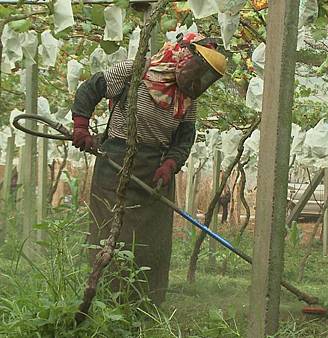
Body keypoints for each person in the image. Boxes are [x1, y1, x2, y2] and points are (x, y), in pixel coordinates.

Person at [70, 32, 226, 304]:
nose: (199, 79)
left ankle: (145, 303)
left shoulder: (189, 98)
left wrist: (170, 164)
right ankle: (102, 298)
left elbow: (185, 137)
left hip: (156, 172)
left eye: (206, 76)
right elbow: (90, 89)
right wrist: (81, 127)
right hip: (115, 161)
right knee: (109, 233)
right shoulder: (135, 71)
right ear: (184, 56)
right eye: (199, 69)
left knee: (152, 241)